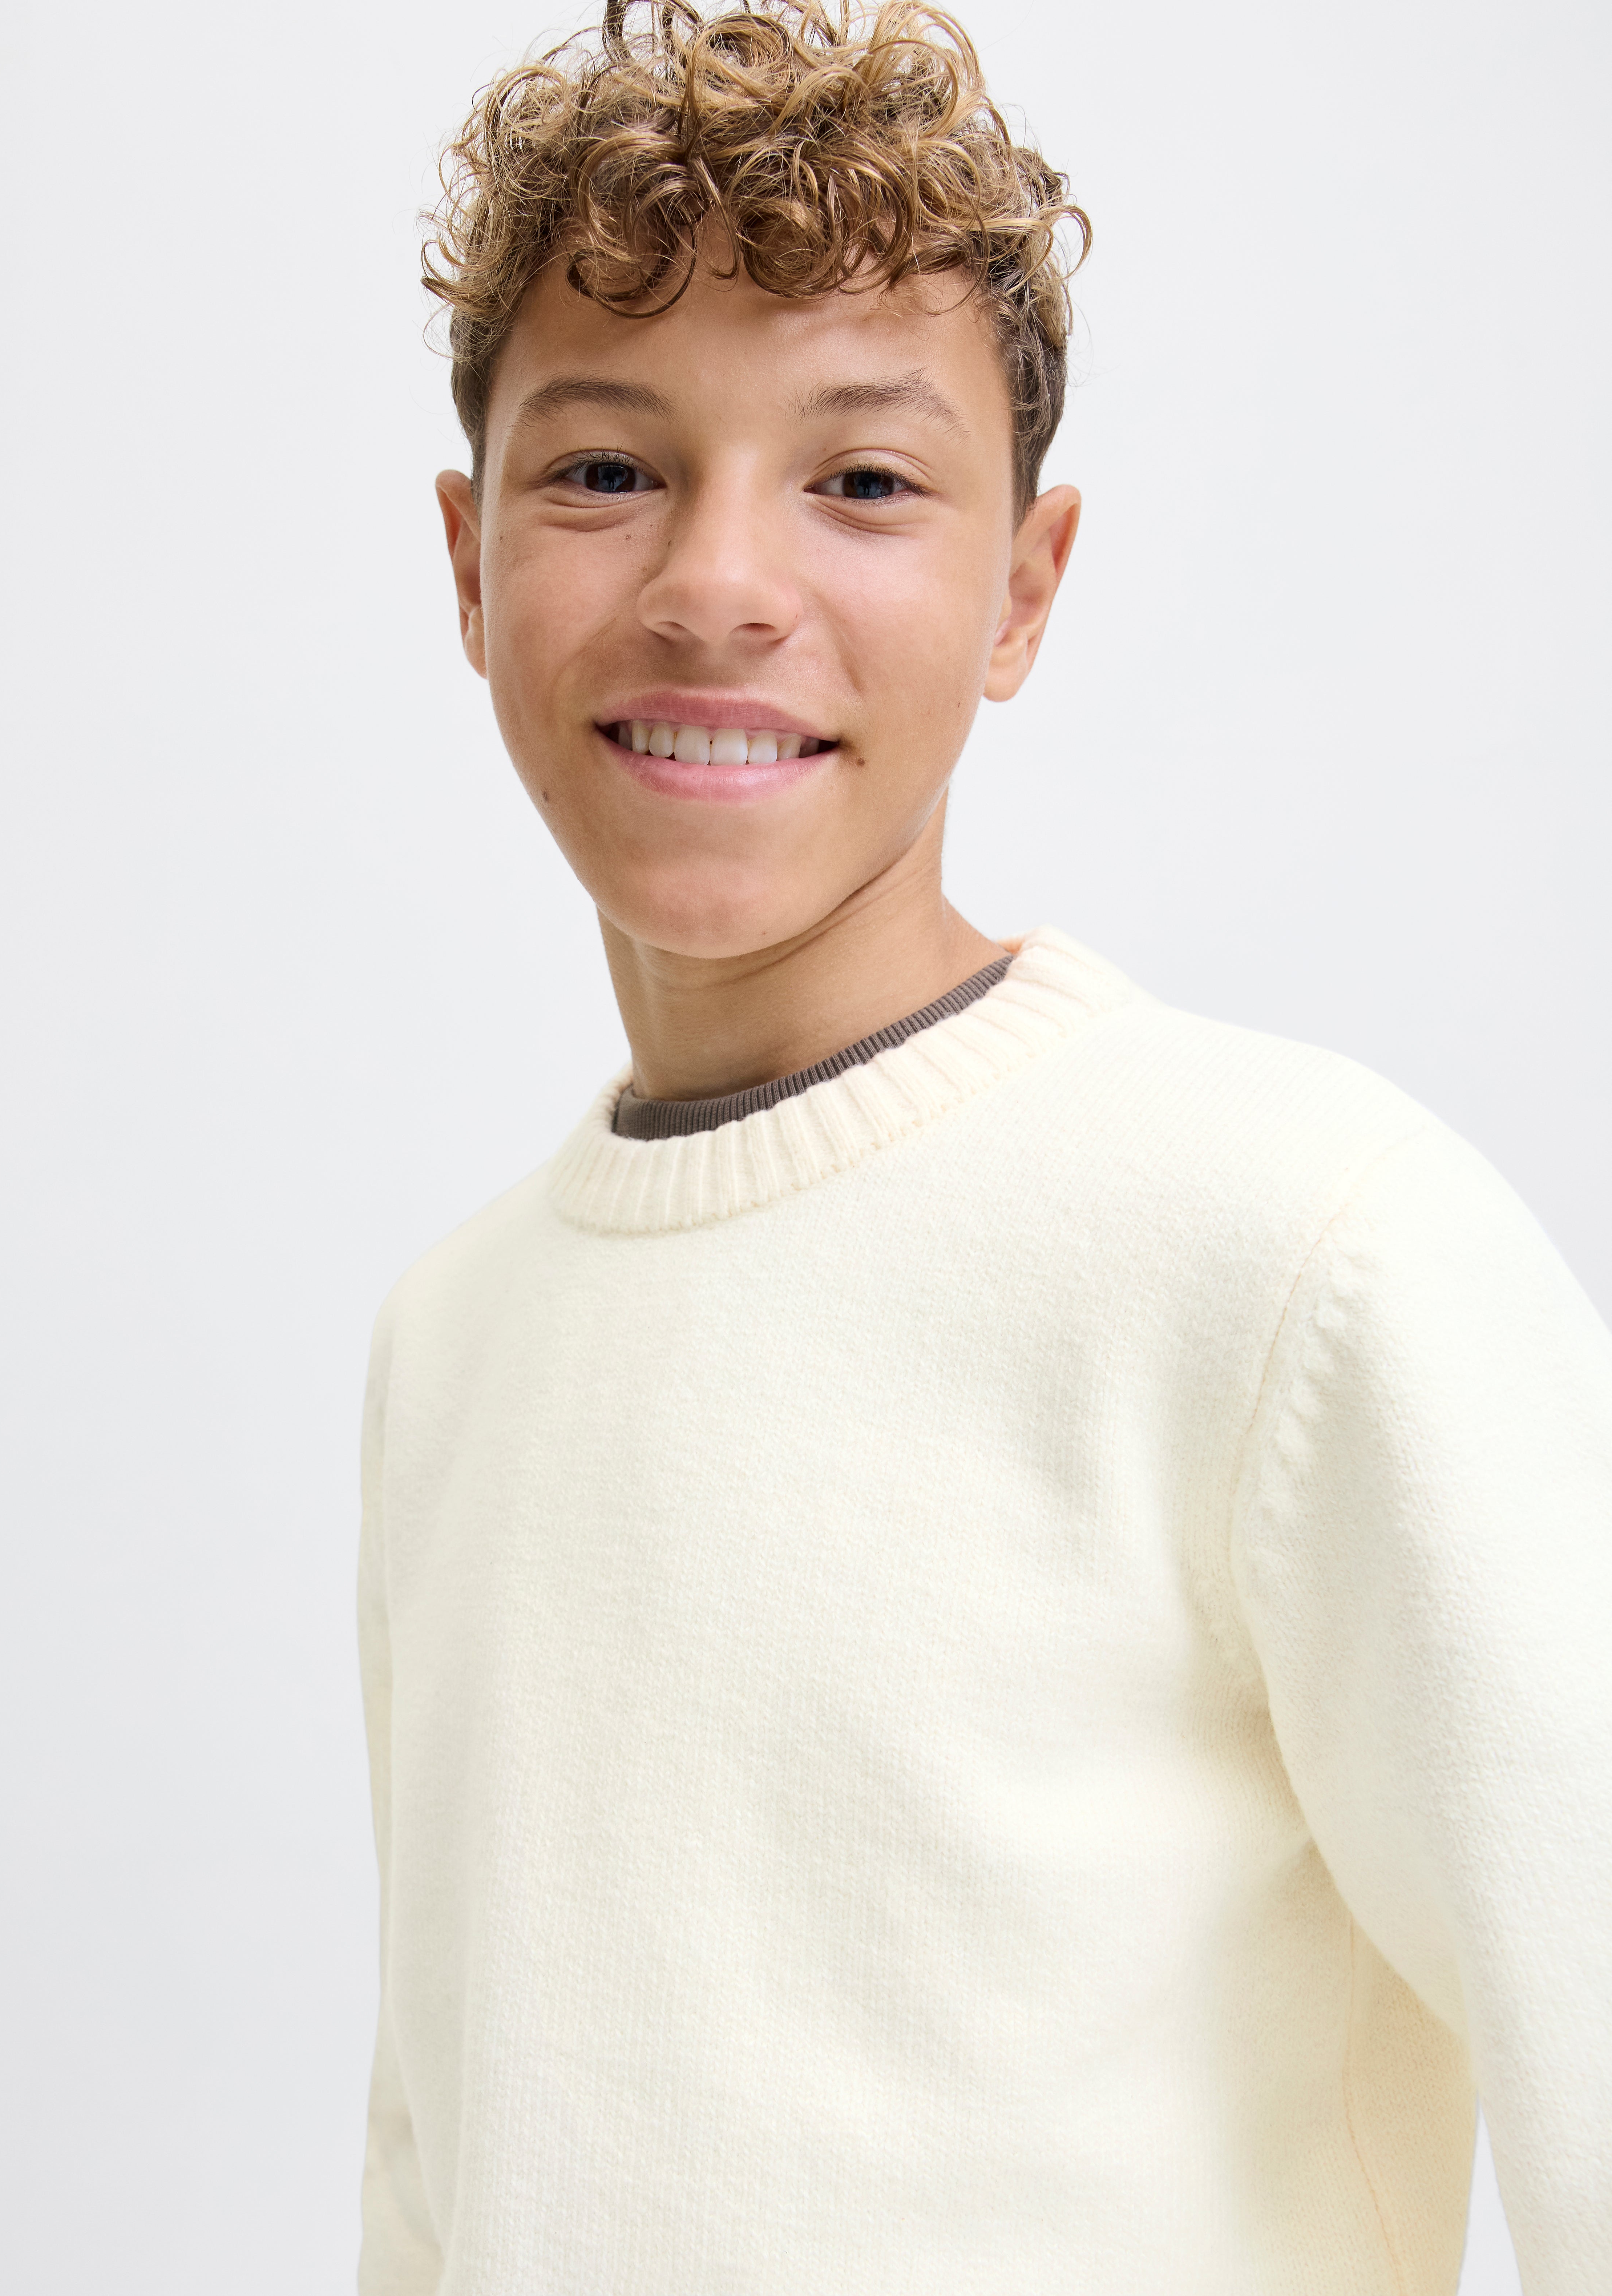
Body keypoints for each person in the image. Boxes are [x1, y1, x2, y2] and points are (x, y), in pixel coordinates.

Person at [355, 5, 1611, 2289]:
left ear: (1023, 588)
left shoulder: (1300, 1251)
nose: (718, 584)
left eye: (860, 483)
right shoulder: (451, 1344)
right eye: (608, 469)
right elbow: (447, 2178)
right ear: (465, 561)